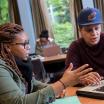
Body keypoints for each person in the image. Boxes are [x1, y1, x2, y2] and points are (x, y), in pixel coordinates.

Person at [0, 23, 92, 104]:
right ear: (8, 47)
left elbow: (33, 84)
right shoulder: (1, 68)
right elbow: (18, 102)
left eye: (28, 43)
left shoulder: (19, 63)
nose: (29, 47)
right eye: (25, 44)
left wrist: (56, 89)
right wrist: (62, 84)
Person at [65, 7, 103, 85]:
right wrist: (83, 79)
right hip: (90, 87)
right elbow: (68, 77)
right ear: (80, 31)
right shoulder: (75, 46)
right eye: (89, 30)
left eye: (97, 28)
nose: (94, 33)